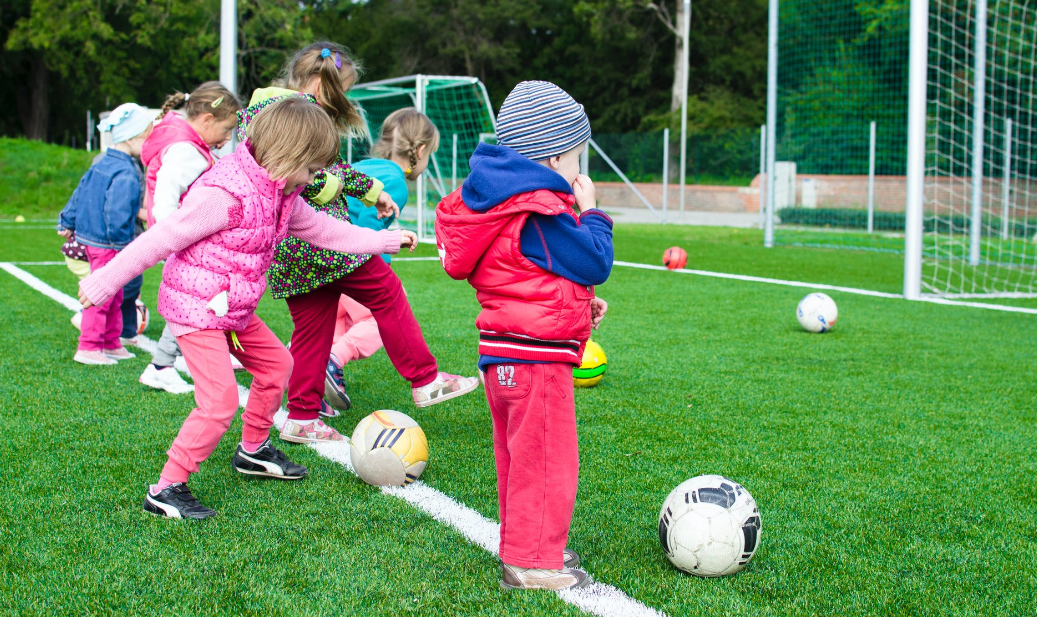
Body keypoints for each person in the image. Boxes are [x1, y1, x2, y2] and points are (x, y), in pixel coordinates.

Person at [77, 97, 417, 520]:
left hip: (233, 309)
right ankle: (166, 488)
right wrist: (104, 281)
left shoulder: (282, 192)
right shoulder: (224, 194)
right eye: (312, 170)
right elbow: (161, 239)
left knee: (278, 366)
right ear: (288, 155)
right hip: (197, 309)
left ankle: (253, 450)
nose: (315, 180)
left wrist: (383, 240)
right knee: (219, 402)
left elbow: (324, 230)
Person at [239, 42, 478, 445]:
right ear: (319, 82)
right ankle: (425, 379)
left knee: (313, 330)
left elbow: (330, 167)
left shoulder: (268, 109)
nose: (342, 101)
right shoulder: (290, 113)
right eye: (341, 90)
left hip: (290, 250)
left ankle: (301, 416)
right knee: (386, 291)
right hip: (321, 241)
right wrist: (336, 190)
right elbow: (301, 175)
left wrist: (372, 192)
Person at [435, 81, 614, 591]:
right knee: (547, 461)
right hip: (535, 362)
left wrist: (580, 307)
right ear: (555, 155)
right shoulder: (538, 209)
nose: (580, 170)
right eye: (578, 157)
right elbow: (594, 259)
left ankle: (526, 544)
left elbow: (527, 276)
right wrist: (593, 211)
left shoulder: (501, 204)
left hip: (506, 356)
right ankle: (532, 561)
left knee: (520, 459)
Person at [322, 107, 438, 413]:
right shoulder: (395, 182)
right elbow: (367, 228)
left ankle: (309, 377)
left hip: (321, 258)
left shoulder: (362, 166)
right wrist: (380, 271)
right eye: (431, 154)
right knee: (379, 316)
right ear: (420, 151)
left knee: (334, 321)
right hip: (348, 260)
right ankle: (333, 361)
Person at [137, 81, 242, 395]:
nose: (226, 140)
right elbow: (166, 200)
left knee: (200, 299)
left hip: (185, 239)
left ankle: (175, 360)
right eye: (226, 130)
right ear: (207, 121)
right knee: (194, 301)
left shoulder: (189, 144)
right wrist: (177, 237)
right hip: (184, 241)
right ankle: (161, 365)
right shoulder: (186, 151)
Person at [57, 103, 154, 366]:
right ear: (133, 138)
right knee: (102, 294)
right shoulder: (126, 170)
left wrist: (66, 219)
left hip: (96, 239)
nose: (149, 142)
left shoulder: (104, 161)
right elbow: (117, 210)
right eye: (147, 136)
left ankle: (111, 342)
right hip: (108, 243)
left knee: (116, 293)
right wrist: (124, 245)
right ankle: (88, 346)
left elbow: (80, 190)